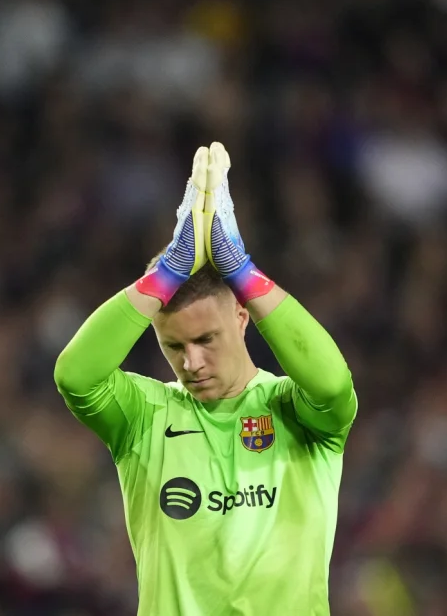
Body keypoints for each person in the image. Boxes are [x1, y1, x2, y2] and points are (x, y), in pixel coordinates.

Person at [54, 143, 358, 614]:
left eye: (206, 339)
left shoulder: (295, 412)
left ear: (242, 316)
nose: (191, 361)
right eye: (174, 346)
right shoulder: (144, 417)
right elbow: (75, 375)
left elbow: (334, 385)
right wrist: (166, 275)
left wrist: (243, 272)